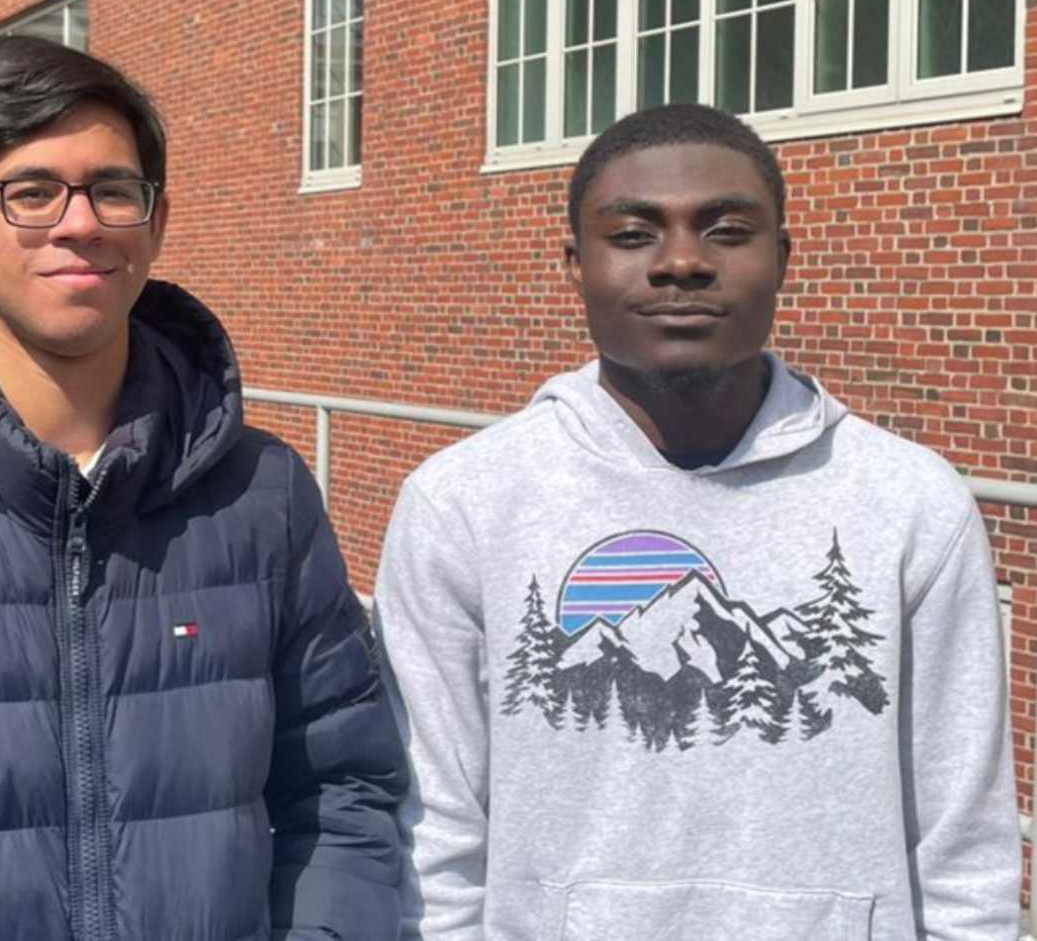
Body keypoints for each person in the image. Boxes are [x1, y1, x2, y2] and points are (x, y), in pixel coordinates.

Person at [0, 36, 406, 940]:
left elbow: (344, 789)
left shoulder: (264, 496)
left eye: (112, 189)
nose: (80, 223)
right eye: (30, 192)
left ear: (156, 219)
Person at [374, 103, 1020, 940]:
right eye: (635, 234)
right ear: (574, 262)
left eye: (726, 230)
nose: (682, 262)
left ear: (782, 258)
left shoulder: (911, 504)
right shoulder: (462, 504)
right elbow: (433, 835)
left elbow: (964, 848)